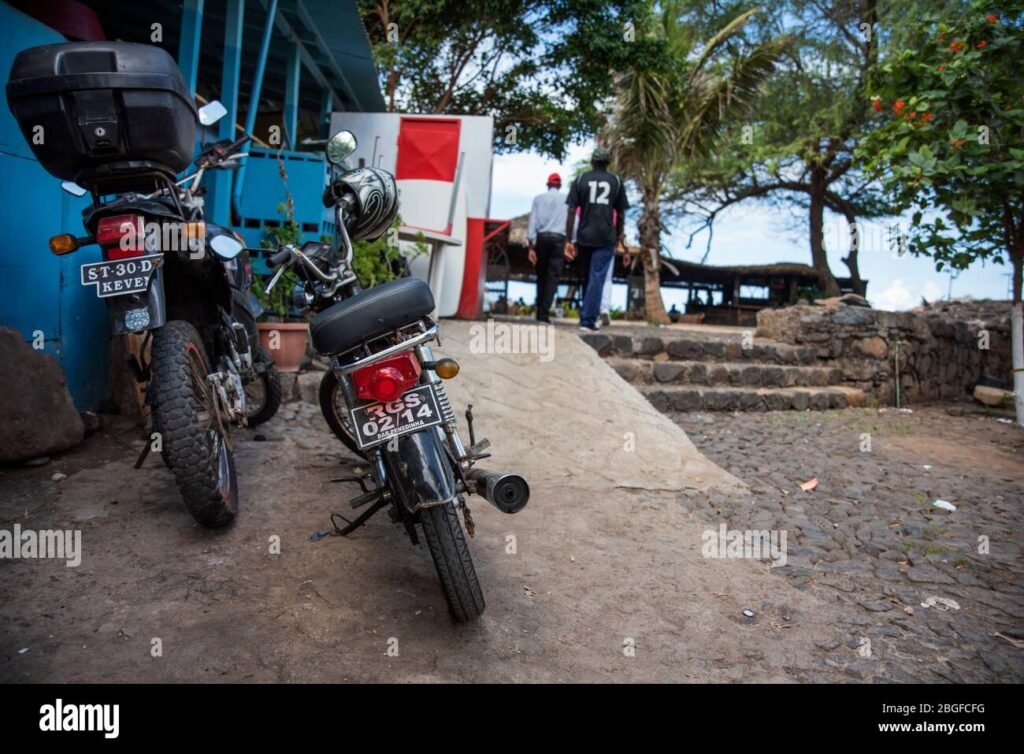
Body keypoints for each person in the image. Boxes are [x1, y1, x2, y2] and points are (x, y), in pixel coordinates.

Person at [565, 146, 628, 333]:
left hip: (584, 236)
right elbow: (621, 213)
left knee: (588, 277)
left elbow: (570, 211)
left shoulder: (580, 179)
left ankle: (587, 317)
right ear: (608, 163)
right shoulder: (616, 181)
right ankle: (588, 320)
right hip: (606, 236)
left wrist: (569, 239)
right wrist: (619, 236)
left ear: (592, 162)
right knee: (597, 277)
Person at [526, 172, 567, 324]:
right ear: (560, 185)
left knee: (541, 275)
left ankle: (539, 311)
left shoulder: (538, 199)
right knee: (552, 277)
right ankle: (544, 313)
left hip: (542, 239)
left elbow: (532, 223)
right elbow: (572, 222)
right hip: (559, 239)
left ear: (548, 184)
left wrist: (531, 246)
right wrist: (572, 242)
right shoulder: (566, 200)